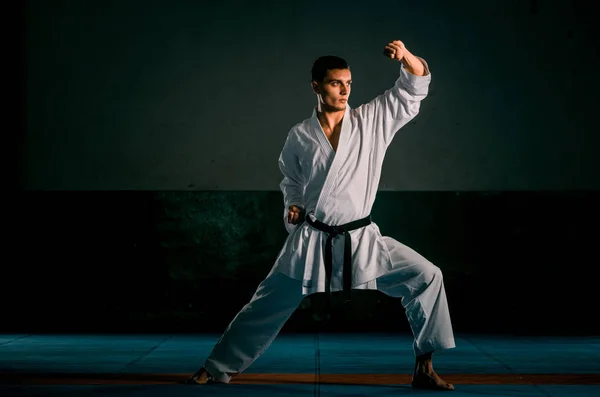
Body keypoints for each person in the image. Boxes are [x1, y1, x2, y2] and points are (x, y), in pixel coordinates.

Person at [187, 40, 456, 391]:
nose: (344, 90)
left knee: (428, 277)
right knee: (265, 304)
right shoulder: (299, 136)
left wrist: (405, 57)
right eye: (335, 83)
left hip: (361, 238)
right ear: (316, 86)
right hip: (312, 239)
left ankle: (425, 366)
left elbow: (413, 88)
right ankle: (216, 365)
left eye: (348, 83)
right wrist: (293, 207)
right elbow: (291, 181)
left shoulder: (371, 121)